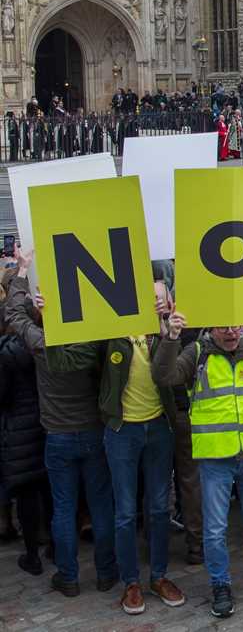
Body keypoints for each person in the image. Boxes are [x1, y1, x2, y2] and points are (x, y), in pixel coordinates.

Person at [46, 280, 188, 615]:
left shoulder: (170, 331)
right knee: (124, 512)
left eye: (159, 298)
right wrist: (48, 318)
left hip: (159, 429)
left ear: (168, 301)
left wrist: (169, 328)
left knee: (158, 508)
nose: (154, 303)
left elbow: (185, 364)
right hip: (122, 431)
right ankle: (131, 583)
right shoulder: (111, 330)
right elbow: (62, 363)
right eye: (148, 298)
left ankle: (159, 576)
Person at [152, 315, 243, 619]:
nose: (231, 332)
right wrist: (170, 338)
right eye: (223, 326)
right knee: (216, 529)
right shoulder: (197, 352)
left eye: (235, 325)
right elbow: (163, 375)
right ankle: (220, 585)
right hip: (216, 458)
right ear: (211, 327)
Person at [5, 248, 118, 598]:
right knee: (100, 506)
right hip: (93, 433)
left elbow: (13, 313)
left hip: (57, 438)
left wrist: (22, 271)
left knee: (64, 509)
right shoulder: (92, 345)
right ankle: (105, 573)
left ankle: (68, 576)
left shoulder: (42, 344)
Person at [0, 309, 51, 579]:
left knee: (27, 497)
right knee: (51, 491)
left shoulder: (8, 352)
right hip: (46, 422)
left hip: (20, 430)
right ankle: (55, 546)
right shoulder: (47, 343)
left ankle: (32, 556)